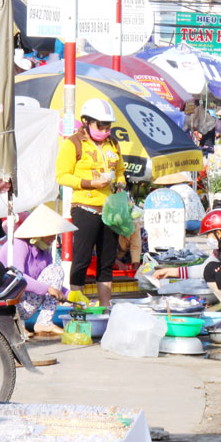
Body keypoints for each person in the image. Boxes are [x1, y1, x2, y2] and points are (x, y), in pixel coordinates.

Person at [55, 98, 126, 308]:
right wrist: (90, 183)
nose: (105, 129)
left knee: (107, 261)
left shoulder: (113, 143)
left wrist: (120, 184)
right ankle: (77, 306)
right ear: (86, 122)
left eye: (108, 125)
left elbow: (120, 171)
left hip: (110, 209)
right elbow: (62, 176)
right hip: (85, 208)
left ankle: (105, 307)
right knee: (82, 259)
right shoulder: (73, 143)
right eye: (100, 125)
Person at [0, 206, 75, 335]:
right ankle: (15, 324)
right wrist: (48, 289)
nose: (55, 238)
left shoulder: (44, 252)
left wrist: (70, 295)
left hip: (25, 303)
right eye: (51, 234)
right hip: (6, 300)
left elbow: (53, 281)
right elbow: (18, 277)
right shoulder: (19, 244)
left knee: (56, 270)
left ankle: (44, 322)